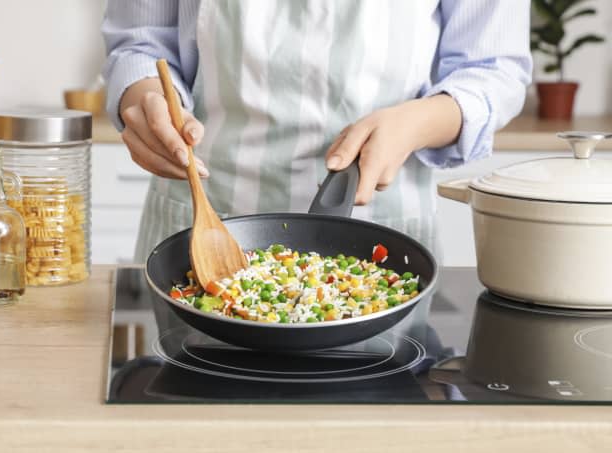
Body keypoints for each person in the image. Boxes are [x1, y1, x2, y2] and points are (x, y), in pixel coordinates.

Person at [102, 1, 532, 262]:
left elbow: (493, 69)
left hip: (380, 231)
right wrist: (144, 99)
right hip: (205, 222)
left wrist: (416, 123)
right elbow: (141, 43)